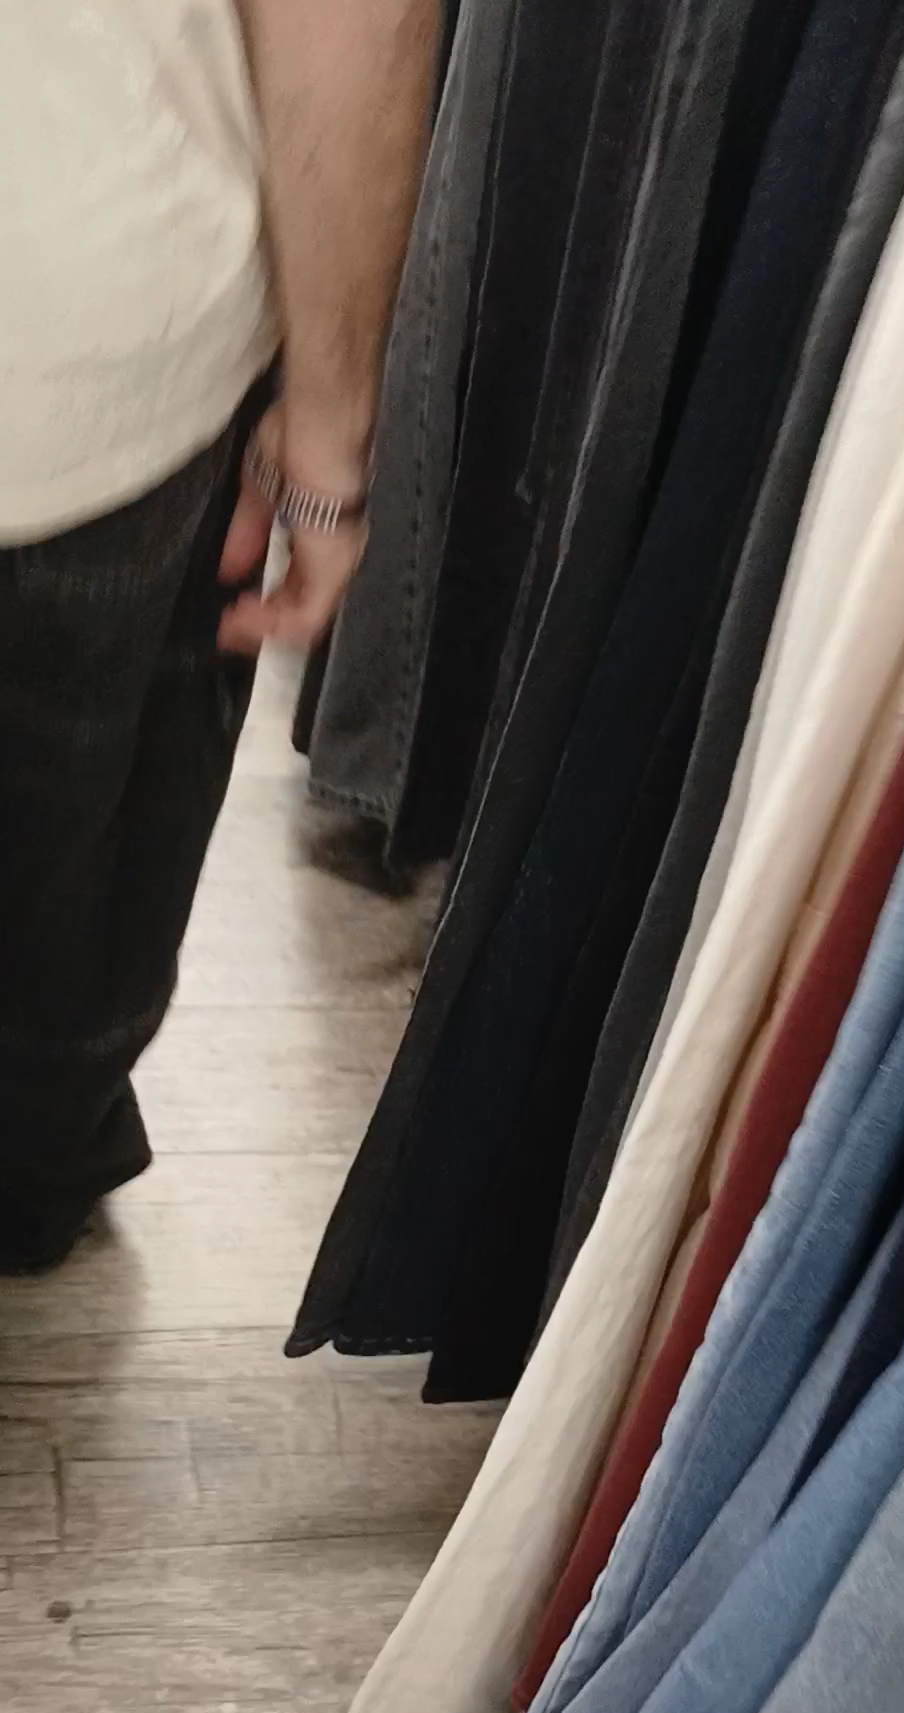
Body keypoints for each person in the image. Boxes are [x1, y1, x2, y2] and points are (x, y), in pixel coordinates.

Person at [0, 0, 438, 1273]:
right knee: (68, 895)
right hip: (78, 344)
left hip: (82, 360)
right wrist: (331, 447)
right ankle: (29, 1184)